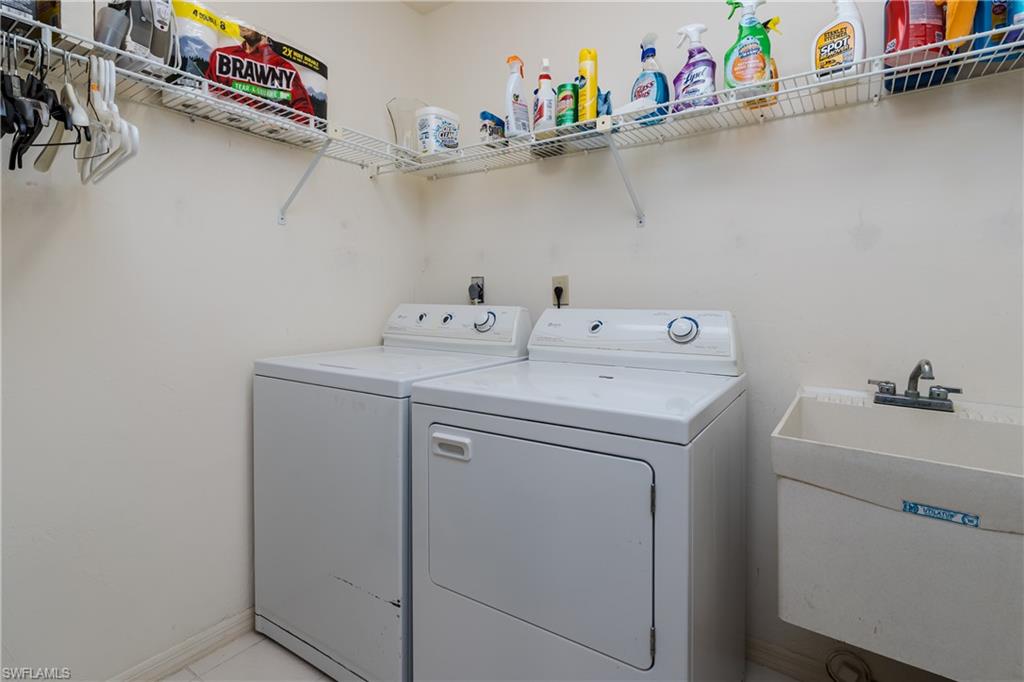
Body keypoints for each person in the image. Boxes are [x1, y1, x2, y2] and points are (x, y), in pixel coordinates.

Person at [204, 25, 314, 118]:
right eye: (242, 25)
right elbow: (208, 90)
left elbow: (302, 107)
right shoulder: (222, 54)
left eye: (250, 26)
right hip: (221, 115)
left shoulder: (282, 66)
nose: (244, 27)